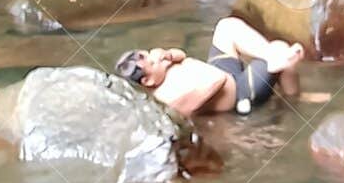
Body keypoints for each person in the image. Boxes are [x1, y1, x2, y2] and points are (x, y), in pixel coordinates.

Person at [114, 16, 308, 117]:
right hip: (239, 92)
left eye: (149, 54)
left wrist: (168, 55)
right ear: (148, 80)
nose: (155, 57)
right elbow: (216, 80)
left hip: (221, 70)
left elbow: (182, 55)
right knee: (280, 48)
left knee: (226, 26)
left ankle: (274, 56)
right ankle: (294, 99)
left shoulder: (162, 67)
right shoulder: (169, 98)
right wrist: (168, 63)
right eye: (151, 62)